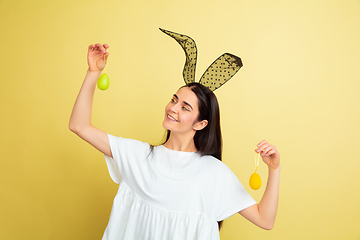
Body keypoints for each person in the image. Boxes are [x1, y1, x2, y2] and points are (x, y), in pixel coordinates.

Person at [69, 43, 280, 240]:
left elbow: (265, 219)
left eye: (185, 107)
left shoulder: (214, 173)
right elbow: (79, 126)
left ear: (200, 124)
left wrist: (274, 169)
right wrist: (93, 72)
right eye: (174, 100)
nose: (173, 108)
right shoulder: (138, 156)